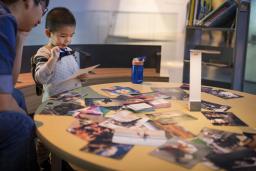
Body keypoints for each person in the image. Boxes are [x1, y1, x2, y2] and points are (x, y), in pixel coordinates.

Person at [0, 0, 49, 170]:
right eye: (43, 10)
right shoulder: (4, 19)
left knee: (17, 95)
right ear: (29, 2)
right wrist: (28, 119)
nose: (40, 20)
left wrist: (20, 39)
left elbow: (8, 85)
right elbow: (3, 102)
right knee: (23, 124)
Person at [33, 7, 87, 102]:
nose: (68, 40)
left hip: (75, 97)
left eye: (71, 35)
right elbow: (41, 79)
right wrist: (53, 59)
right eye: (63, 36)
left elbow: (72, 73)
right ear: (48, 33)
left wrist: (81, 77)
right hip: (55, 102)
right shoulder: (44, 52)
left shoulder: (69, 50)